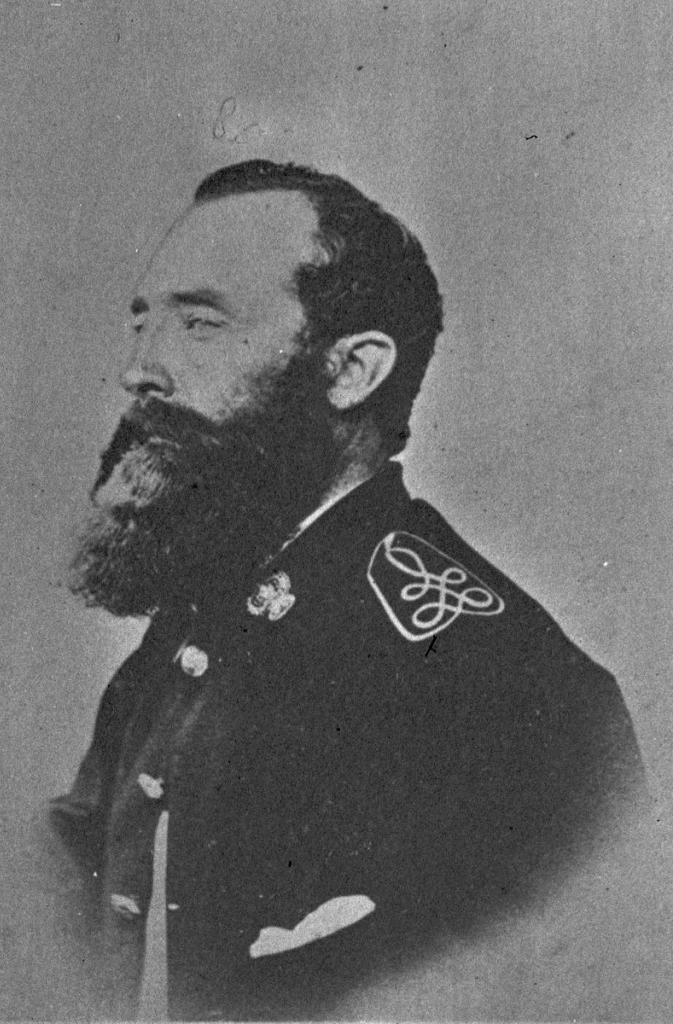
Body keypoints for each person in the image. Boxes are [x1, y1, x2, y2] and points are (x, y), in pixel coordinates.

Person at [46, 160, 645, 1020]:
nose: (138, 371)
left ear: (351, 371)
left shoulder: (501, 684)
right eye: (142, 322)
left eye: (200, 324)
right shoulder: (200, 614)